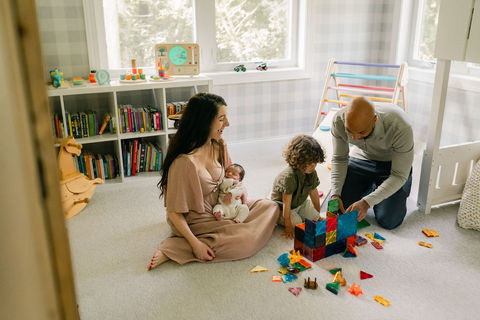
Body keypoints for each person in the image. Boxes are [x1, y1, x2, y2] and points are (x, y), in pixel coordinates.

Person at [147, 93, 280, 270]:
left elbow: (233, 175)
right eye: (221, 119)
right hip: (198, 220)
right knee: (245, 241)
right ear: (204, 121)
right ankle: (177, 247)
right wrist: (195, 245)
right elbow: (174, 213)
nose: (227, 124)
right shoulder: (184, 163)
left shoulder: (217, 143)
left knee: (270, 206)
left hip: (224, 205)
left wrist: (241, 191)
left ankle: (230, 232)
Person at [330, 96, 413, 230]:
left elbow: (399, 175)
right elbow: (339, 158)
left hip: (392, 167)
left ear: (374, 120)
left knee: (389, 221)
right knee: (338, 209)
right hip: (360, 160)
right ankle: (370, 188)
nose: (354, 138)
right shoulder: (338, 121)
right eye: (350, 131)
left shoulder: (400, 126)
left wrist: (367, 202)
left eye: (361, 132)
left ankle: (375, 191)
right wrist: (335, 193)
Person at [270, 134, 326, 239]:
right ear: (299, 161)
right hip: (281, 207)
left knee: (313, 216)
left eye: (315, 163)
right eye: (310, 163)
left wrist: (316, 215)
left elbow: (314, 193)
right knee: (297, 223)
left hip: (299, 203)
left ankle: (308, 215)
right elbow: (286, 204)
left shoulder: (311, 172)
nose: (314, 166)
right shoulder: (289, 177)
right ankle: (279, 218)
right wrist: (288, 226)